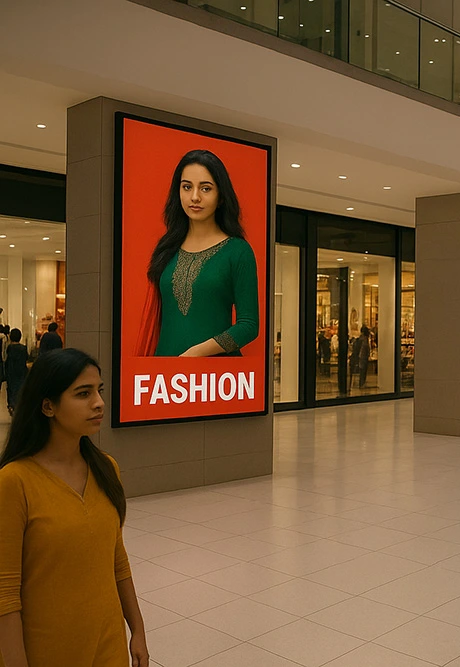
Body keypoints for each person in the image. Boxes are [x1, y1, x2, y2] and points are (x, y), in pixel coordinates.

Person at [0, 349, 148, 666]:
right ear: (48, 406)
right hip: (48, 649)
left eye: (99, 390)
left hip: (108, 645)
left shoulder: (107, 469)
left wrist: (137, 630)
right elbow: (5, 594)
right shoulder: (15, 482)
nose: (99, 403)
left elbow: (116, 560)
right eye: (83, 393)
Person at [135, 149, 259, 357]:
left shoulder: (238, 251)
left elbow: (249, 325)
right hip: (165, 376)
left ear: (220, 196)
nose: (195, 197)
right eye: (187, 187)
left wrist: (196, 354)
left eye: (206, 188)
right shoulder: (167, 247)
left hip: (215, 378)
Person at [4, 330, 28, 415]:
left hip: (11, 371)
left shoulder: (9, 348)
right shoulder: (23, 348)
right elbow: (26, 358)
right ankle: (18, 405)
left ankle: (11, 405)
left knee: (11, 388)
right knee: (20, 388)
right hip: (21, 371)